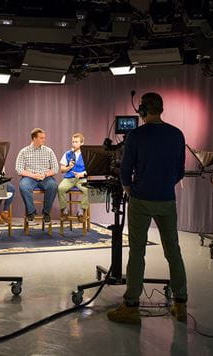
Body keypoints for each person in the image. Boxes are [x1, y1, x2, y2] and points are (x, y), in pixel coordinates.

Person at [107, 92, 187, 324]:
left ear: (142, 111)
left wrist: (130, 188)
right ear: (161, 109)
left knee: (137, 252)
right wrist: (162, 185)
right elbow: (179, 171)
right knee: (173, 251)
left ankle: (131, 306)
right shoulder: (176, 134)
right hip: (167, 200)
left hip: (141, 199)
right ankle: (180, 303)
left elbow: (125, 170)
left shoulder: (136, 135)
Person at [16, 128, 59, 222]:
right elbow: (19, 169)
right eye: (41, 138)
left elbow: (55, 168)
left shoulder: (49, 151)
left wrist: (45, 174)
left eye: (44, 137)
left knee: (53, 186)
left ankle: (46, 212)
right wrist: (33, 175)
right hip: (30, 177)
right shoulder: (24, 151)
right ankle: (31, 212)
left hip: (45, 177)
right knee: (23, 186)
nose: (44, 139)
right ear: (34, 138)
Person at [57, 133, 89, 222]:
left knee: (88, 189)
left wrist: (82, 174)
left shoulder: (87, 154)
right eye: (73, 142)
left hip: (81, 178)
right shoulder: (67, 154)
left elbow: (90, 170)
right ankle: (64, 210)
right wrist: (69, 167)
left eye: (76, 142)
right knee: (60, 188)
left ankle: (81, 211)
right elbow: (62, 170)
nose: (74, 144)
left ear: (82, 143)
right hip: (69, 178)